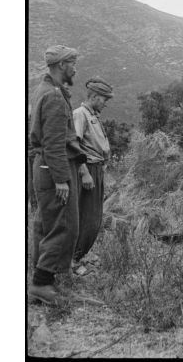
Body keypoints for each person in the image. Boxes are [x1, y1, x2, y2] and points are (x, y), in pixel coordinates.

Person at [28, 45, 87, 305]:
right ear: (62, 65)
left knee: (45, 223)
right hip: (54, 167)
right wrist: (61, 178)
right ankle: (41, 284)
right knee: (63, 225)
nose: (75, 68)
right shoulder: (53, 96)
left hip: (45, 166)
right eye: (72, 63)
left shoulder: (47, 90)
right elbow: (53, 142)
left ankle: (43, 279)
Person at [72, 76, 114, 263]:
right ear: (95, 96)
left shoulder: (92, 116)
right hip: (87, 169)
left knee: (94, 217)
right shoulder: (80, 114)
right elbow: (73, 145)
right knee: (87, 217)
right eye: (104, 99)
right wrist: (84, 172)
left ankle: (80, 257)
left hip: (96, 169)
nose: (105, 104)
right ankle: (74, 259)